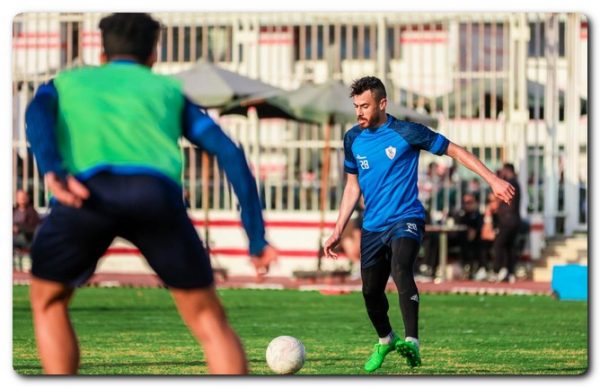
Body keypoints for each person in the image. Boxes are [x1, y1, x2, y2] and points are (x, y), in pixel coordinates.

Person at [24, 13, 276, 375]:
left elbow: (36, 113)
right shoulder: (169, 92)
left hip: (85, 195)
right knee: (208, 319)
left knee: (49, 301)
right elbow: (230, 152)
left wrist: (53, 170)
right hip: (155, 196)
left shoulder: (65, 82)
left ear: (101, 52)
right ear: (153, 54)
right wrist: (256, 238)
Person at [323, 76, 515, 372]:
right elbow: (352, 186)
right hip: (373, 226)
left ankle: (412, 341)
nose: (359, 112)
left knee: (401, 267)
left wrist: (492, 179)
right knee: (370, 292)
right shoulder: (352, 139)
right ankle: (386, 340)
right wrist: (337, 229)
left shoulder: (407, 132)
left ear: (382, 104)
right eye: (356, 106)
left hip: (406, 218)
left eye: (365, 106)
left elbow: (455, 150)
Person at [492, 163, 522, 283]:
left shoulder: (511, 183)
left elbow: (501, 198)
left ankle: (498, 270)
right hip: (514, 219)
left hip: (507, 220)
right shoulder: (516, 182)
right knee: (509, 246)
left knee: (499, 245)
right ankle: (509, 271)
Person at [454, 193, 483, 279]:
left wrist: (474, 231)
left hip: (476, 241)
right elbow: (458, 224)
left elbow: (479, 226)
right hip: (461, 240)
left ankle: (476, 269)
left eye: (470, 202)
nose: (467, 204)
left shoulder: (477, 214)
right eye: (466, 202)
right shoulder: (461, 213)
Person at [13, 189, 41, 270]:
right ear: (16, 198)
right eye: (20, 197)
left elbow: (35, 228)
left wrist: (19, 228)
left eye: (24, 197)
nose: (22, 199)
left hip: (26, 238)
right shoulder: (13, 210)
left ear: (27, 198)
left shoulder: (32, 212)